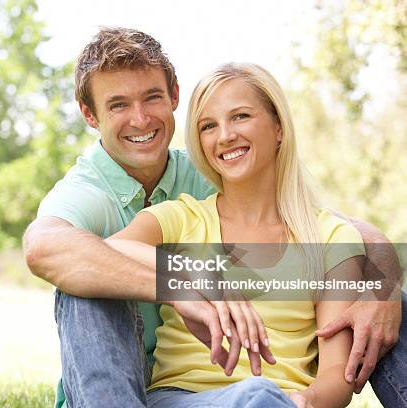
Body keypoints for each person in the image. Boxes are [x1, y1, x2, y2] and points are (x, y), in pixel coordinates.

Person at [23, 28, 405, 408]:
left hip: (274, 399)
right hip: (149, 392)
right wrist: (191, 277)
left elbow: (351, 234)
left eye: (151, 97)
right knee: (87, 280)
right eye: (119, 104)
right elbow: (60, 248)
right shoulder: (164, 211)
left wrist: (384, 295)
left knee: (389, 299)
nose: (139, 118)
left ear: (278, 127)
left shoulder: (312, 227)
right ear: (90, 114)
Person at [106, 62, 371, 407]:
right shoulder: (179, 218)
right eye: (208, 126)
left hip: (282, 401)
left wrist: (306, 401)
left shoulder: (331, 237)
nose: (225, 135)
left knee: (261, 397)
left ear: (278, 127)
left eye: (241, 116)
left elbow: (336, 374)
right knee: (255, 394)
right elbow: (108, 253)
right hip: (181, 400)